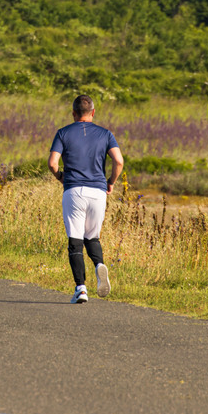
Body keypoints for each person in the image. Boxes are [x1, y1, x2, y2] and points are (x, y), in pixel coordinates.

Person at [48, 94, 124, 304]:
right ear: (93, 113)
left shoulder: (63, 133)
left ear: (73, 113)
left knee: (75, 241)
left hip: (74, 191)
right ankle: (99, 264)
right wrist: (111, 182)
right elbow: (118, 161)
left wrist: (60, 177)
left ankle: (81, 289)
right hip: (98, 192)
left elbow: (53, 163)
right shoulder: (106, 134)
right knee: (92, 237)